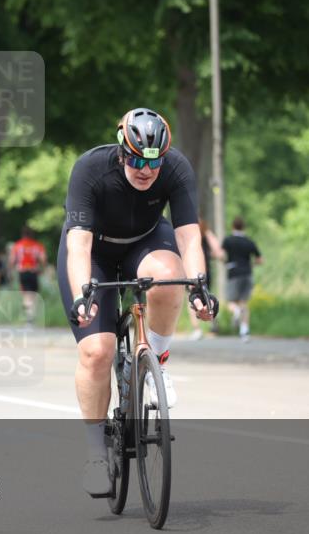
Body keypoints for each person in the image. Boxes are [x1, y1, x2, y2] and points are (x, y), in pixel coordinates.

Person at [58, 107, 218, 496]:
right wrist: (83, 294)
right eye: (135, 160)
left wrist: (200, 287)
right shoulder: (90, 168)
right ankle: (96, 454)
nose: (145, 170)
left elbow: (189, 238)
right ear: (120, 150)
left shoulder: (177, 168)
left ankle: (156, 361)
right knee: (97, 351)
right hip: (93, 249)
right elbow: (78, 245)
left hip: (146, 241)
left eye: (153, 162)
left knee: (169, 277)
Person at [221, 216, 262, 342]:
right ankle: (244, 331)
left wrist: (226, 262)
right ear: (244, 227)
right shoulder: (249, 242)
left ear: (233, 226)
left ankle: (236, 311)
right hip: (247, 273)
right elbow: (259, 260)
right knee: (244, 302)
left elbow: (220, 254)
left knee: (230, 302)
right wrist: (250, 265)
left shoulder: (228, 240)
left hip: (233, 273)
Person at [189, 217, 224, 340]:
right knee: (206, 295)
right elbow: (218, 252)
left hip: (190, 271)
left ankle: (197, 329)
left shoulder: (188, 235)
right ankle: (212, 320)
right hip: (205, 272)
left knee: (192, 297)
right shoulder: (205, 234)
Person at [10, 227, 47, 324]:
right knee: (33, 294)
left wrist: (11, 270)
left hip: (22, 272)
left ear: (22, 234)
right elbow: (43, 259)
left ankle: (28, 315)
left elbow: (12, 260)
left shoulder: (17, 245)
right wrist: (42, 269)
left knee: (26, 293)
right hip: (34, 272)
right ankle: (31, 314)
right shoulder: (37, 245)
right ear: (31, 235)